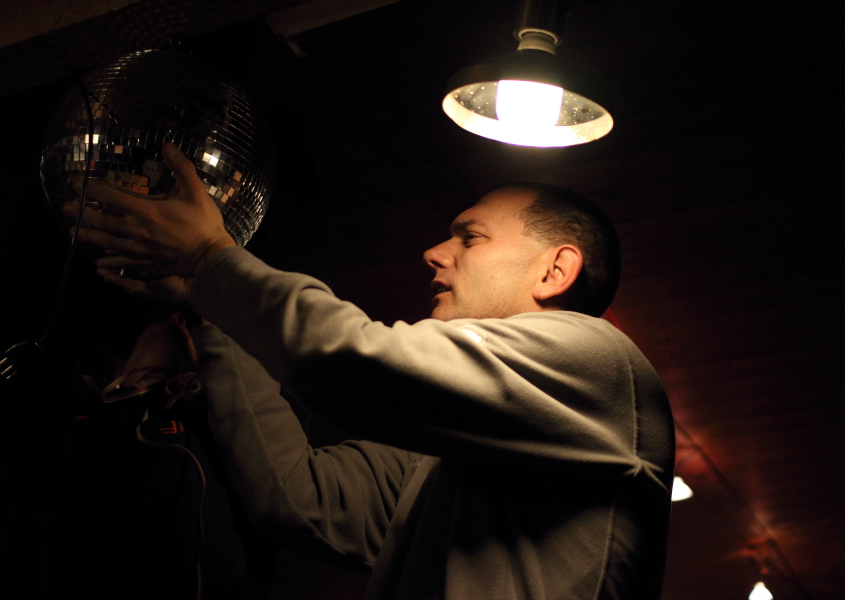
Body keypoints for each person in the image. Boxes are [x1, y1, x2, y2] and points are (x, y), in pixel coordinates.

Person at [67, 142, 675, 599]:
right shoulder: (450, 449)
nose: (434, 253)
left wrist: (209, 257)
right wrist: (212, 311)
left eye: (470, 237)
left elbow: (345, 357)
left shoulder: (597, 358)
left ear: (554, 271)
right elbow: (300, 498)